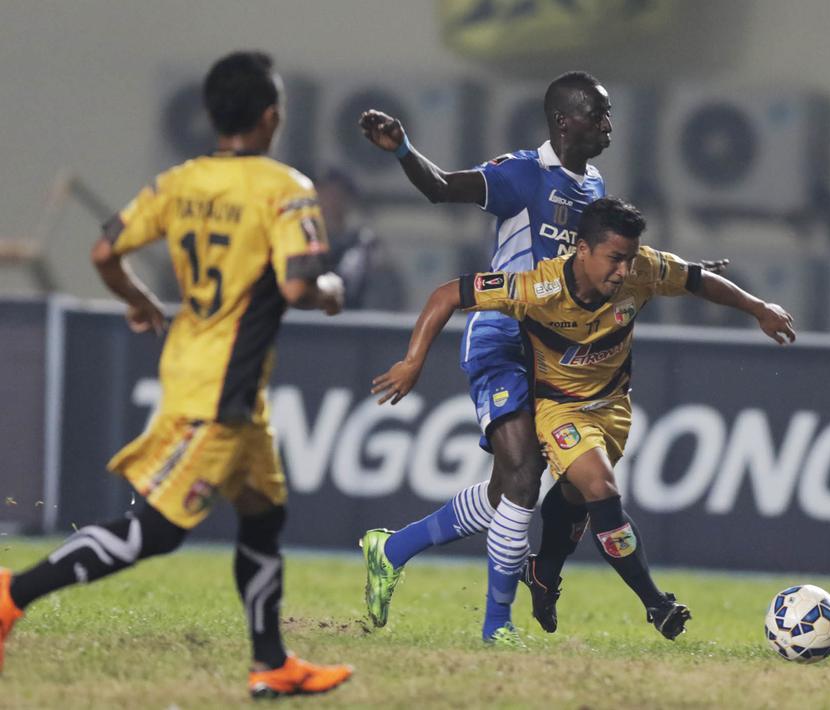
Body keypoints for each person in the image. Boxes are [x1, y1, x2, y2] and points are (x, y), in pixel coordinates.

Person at [0, 51, 353, 697]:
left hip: (212, 375)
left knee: (263, 517)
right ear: (271, 116)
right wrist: (332, 286)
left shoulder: (177, 182)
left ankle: (271, 662)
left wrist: (137, 299)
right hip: (220, 390)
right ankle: (11, 595)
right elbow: (299, 286)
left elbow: (105, 250)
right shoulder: (286, 189)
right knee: (154, 533)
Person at [356, 72, 729, 642]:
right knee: (525, 477)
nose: (609, 124)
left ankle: (394, 548)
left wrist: (688, 269)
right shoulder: (523, 173)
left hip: (550, 351)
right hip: (501, 335)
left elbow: (619, 253)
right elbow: (440, 188)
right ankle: (496, 626)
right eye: (599, 114)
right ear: (565, 121)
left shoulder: (593, 183)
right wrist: (405, 149)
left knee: (506, 491)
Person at [370, 197, 796, 641]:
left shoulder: (643, 268)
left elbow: (696, 279)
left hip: (613, 407)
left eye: (629, 259)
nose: (623, 271)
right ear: (582, 249)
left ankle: (540, 572)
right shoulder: (539, 287)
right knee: (599, 487)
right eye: (614, 259)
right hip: (559, 408)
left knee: (565, 496)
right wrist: (413, 361)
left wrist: (760, 309)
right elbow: (447, 294)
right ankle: (656, 603)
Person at [317, 166, 407, 311]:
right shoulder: (302, 240)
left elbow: (385, 290)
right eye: (326, 193)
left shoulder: (364, 245)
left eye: (338, 194)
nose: (331, 201)